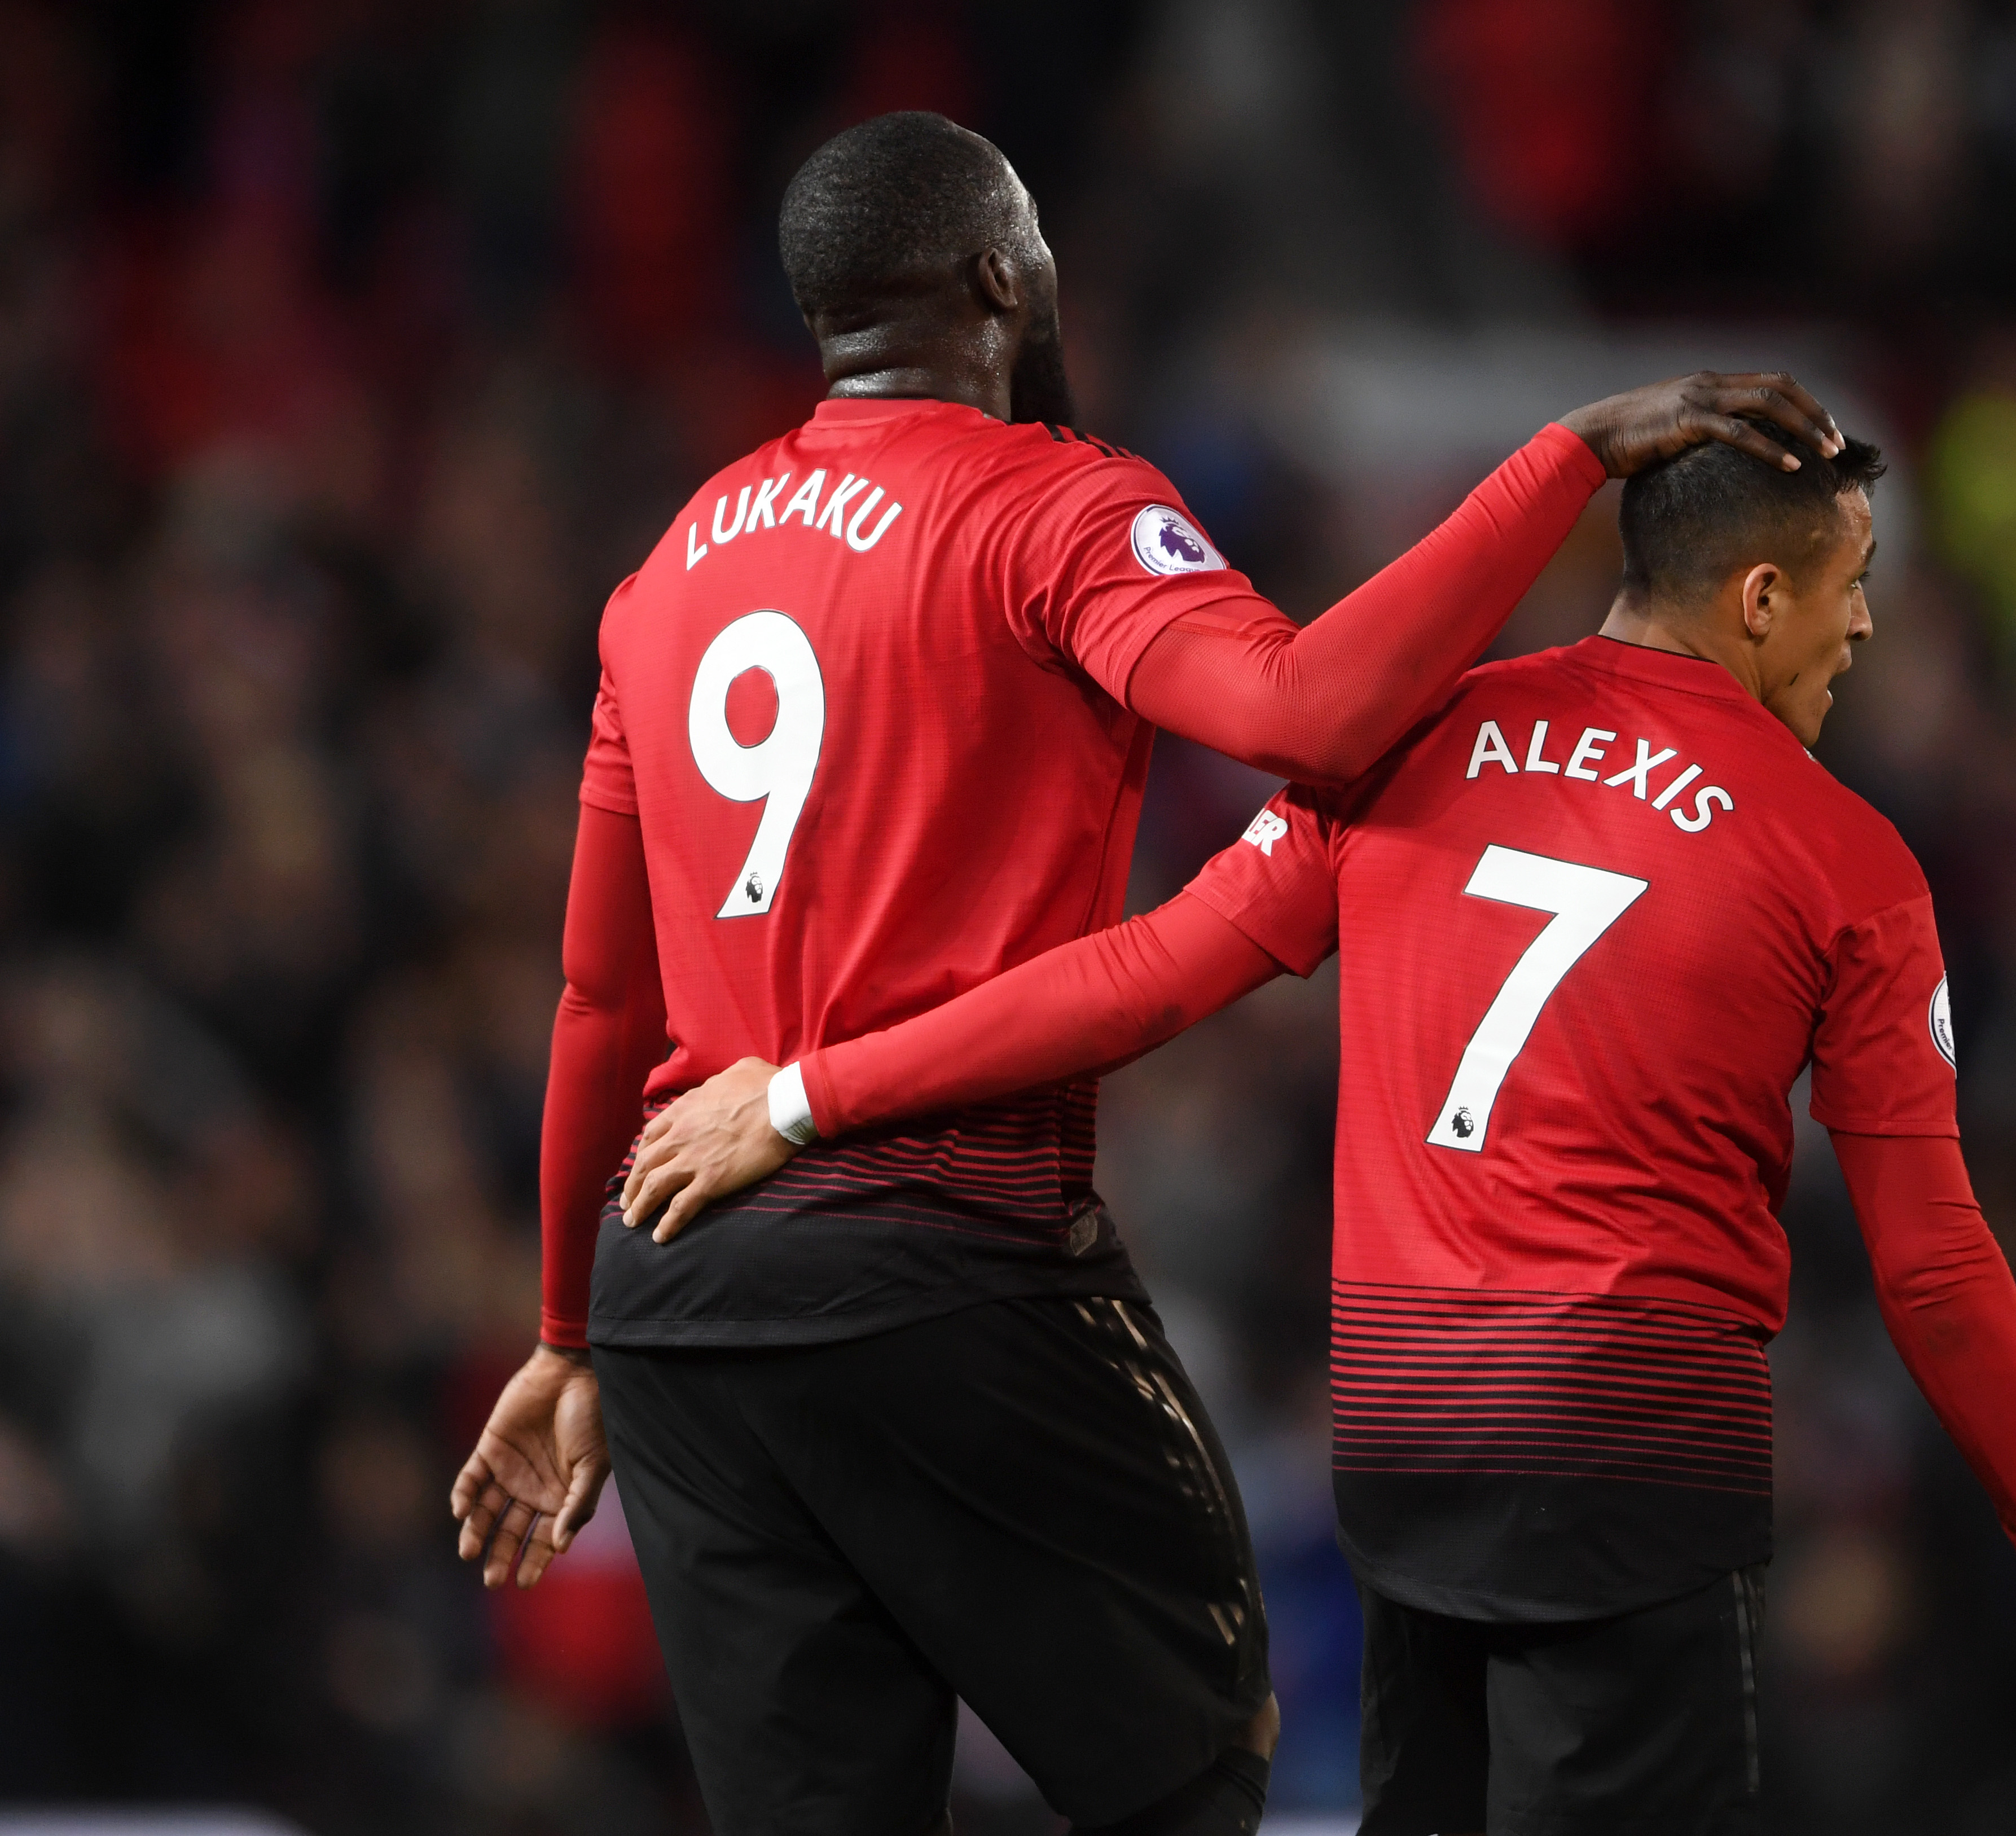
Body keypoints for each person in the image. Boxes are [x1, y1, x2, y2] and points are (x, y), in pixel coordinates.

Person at [445, 108, 1841, 1836]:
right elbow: (1310, 715)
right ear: (997, 281)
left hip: (676, 1299)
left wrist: (565, 1334)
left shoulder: (667, 571)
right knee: (1192, 1754)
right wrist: (1561, 454)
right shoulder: (1057, 510)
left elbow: (599, 1001)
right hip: (949, 1261)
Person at [626, 427, 2016, 1829]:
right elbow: (1934, 1257)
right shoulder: (1850, 861)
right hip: (1634, 1455)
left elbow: (1142, 975)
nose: (1868, 626)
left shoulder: (1419, 740)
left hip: (1410, 1439)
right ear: (1759, 595)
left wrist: (804, 1092)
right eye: (1853, 584)